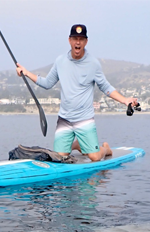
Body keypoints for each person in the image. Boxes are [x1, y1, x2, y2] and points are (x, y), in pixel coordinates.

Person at [16, 24, 139, 162]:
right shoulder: (60, 61)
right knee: (59, 158)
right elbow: (47, 83)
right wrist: (26, 73)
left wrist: (124, 100)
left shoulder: (93, 63)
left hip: (84, 120)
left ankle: (105, 148)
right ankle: (79, 144)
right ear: (70, 40)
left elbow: (105, 87)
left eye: (81, 39)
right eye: (75, 38)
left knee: (95, 157)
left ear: (86, 42)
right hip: (65, 119)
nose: (78, 42)